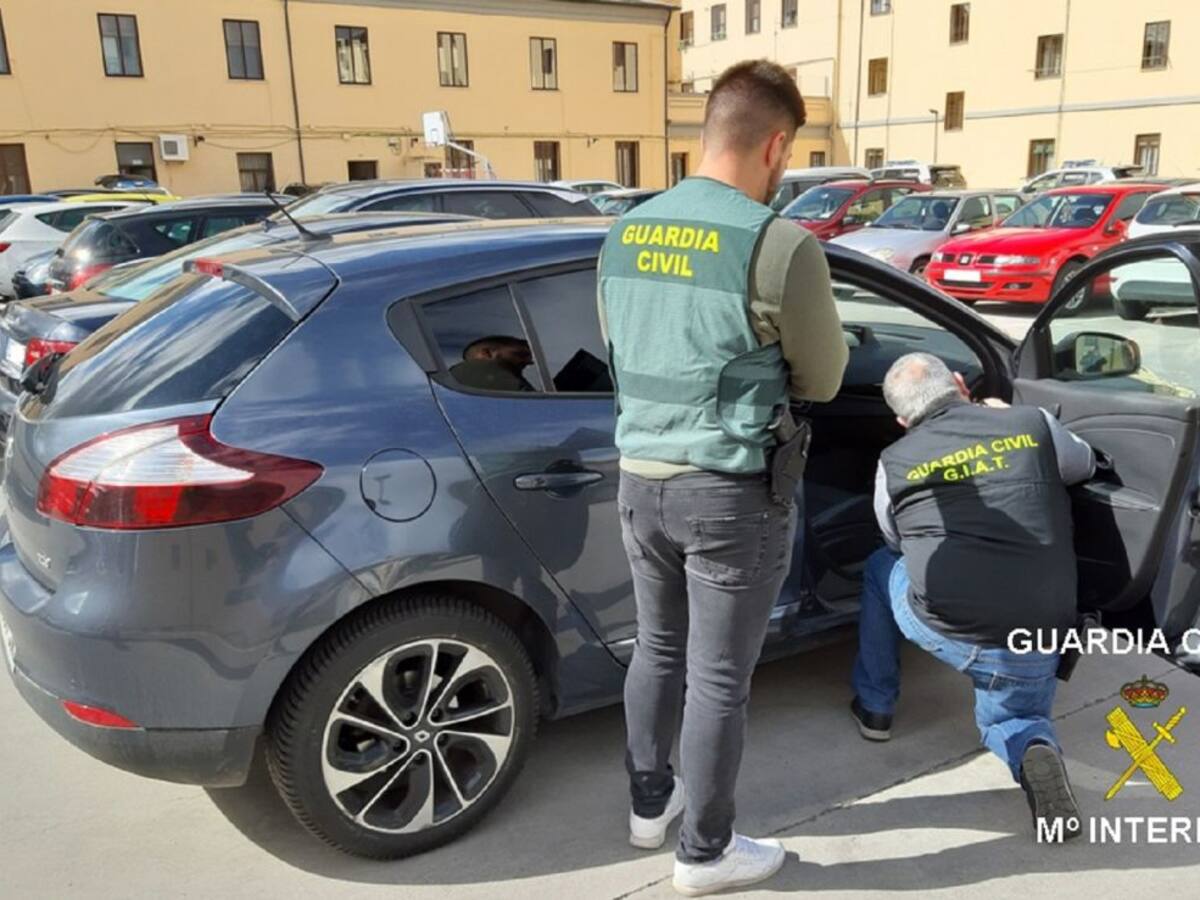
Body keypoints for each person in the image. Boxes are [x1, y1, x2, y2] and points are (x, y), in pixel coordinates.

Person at [597, 60, 848, 895]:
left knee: (656, 649)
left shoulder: (625, 230)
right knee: (716, 680)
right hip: (730, 493)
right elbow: (822, 378)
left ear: (707, 133)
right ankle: (705, 853)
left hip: (638, 482)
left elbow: (620, 347)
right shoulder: (779, 244)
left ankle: (647, 808)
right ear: (776, 145)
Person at [850, 352, 1095, 841]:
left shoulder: (893, 461)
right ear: (960, 383)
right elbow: (1084, 463)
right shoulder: (1034, 423)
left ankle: (876, 705)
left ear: (901, 421)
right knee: (1015, 716)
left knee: (881, 567)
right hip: (1042, 628)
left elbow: (897, 540)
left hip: (952, 627)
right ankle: (1031, 747)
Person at [448, 335, 537, 392]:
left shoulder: (454, 379)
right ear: (487, 353)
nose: (529, 362)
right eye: (520, 354)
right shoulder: (482, 370)